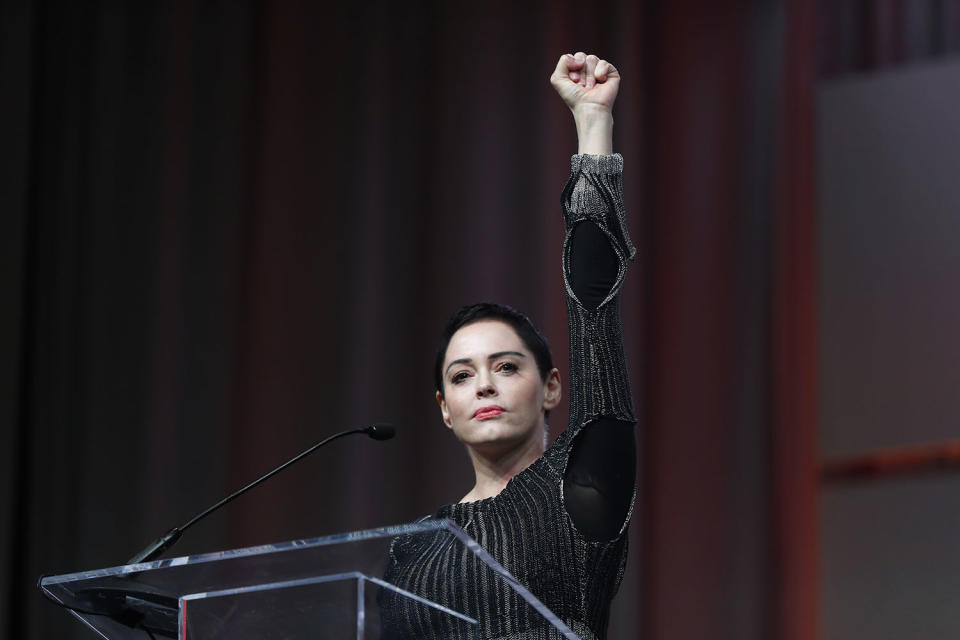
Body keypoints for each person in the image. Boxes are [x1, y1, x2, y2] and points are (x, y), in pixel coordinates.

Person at [381, 52, 637, 640]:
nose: (485, 385)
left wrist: (593, 125)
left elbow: (594, 309)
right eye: (462, 376)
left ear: (551, 387)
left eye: (505, 366)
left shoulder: (583, 490)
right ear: (444, 407)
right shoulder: (411, 550)